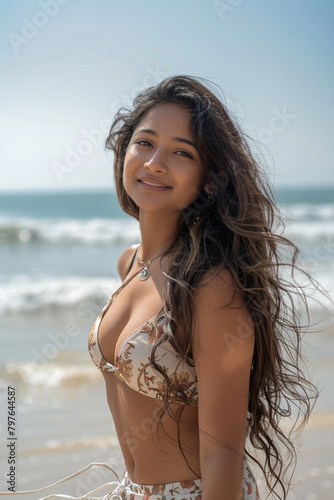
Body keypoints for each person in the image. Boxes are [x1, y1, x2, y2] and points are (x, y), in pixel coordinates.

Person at [1, 76, 318, 499]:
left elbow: (223, 456)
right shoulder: (130, 263)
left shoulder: (211, 283)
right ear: (124, 152)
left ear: (208, 178)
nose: (154, 163)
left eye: (182, 153)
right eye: (145, 143)